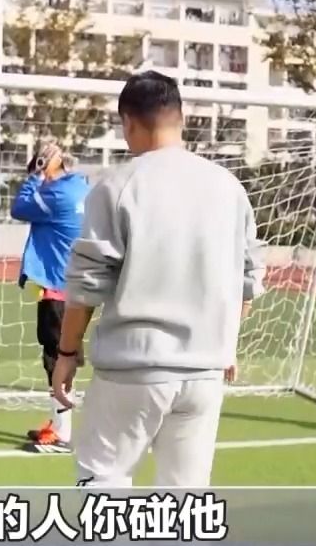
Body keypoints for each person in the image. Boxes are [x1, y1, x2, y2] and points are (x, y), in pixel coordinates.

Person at [50, 71, 266, 486]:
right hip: (204, 371)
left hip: (133, 368)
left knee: (104, 482)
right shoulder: (229, 188)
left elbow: (87, 284)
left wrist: (67, 354)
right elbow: (248, 279)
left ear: (128, 122)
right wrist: (225, 344)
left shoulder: (116, 186)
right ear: (181, 118)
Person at [9, 141, 91, 453]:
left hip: (59, 286)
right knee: (60, 354)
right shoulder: (79, 187)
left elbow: (19, 208)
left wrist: (37, 175)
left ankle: (63, 434)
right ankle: (58, 424)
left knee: (56, 356)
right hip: (73, 285)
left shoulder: (55, 194)